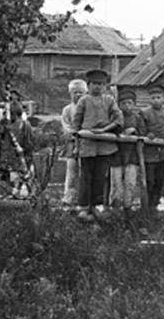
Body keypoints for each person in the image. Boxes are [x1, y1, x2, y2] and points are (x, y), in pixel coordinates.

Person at [71, 69, 122, 219]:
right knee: (86, 176)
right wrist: (77, 139)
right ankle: (83, 206)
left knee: (101, 176)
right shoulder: (84, 100)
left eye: (101, 84)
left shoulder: (109, 100)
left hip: (105, 145)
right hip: (87, 144)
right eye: (94, 84)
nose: (98, 87)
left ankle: (97, 205)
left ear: (105, 86)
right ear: (88, 85)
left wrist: (105, 129)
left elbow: (119, 118)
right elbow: (76, 121)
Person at [138, 84, 164, 212]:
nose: (156, 100)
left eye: (158, 97)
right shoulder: (144, 112)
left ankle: (155, 203)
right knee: (149, 179)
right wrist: (147, 134)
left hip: (163, 151)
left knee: (160, 179)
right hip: (149, 151)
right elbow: (141, 129)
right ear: (149, 99)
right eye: (153, 98)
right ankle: (147, 205)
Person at [0, 90, 36, 198]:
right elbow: (29, 141)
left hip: (13, 155)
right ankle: (19, 193)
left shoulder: (12, 126)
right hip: (19, 154)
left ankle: (18, 193)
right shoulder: (24, 124)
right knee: (21, 174)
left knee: (17, 175)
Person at [109, 88, 143, 210]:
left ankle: (128, 206)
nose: (127, 106)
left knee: (130, 182)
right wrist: (120, 132)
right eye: (123, 103)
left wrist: (134, 131)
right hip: (116, 153)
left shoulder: (138, 118)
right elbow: (110, 129)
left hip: (132, 154)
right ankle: (115, 206)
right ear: (119, 105)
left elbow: (143, 132)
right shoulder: (115, 117)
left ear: (134, 104)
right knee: (116, 181)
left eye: (129, 103)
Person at [60, 78, 88, 206]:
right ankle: (68, 197)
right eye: (74, 92)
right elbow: (65, 125)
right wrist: (74, 133)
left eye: (80, 92)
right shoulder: (67, 110)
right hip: (72, 144)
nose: (77, 95)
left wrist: (84, 133)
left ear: (85, 93)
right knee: (71, 172)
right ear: (70, 94)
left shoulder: (88, 108)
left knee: (85, 172)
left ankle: (83, 198)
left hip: (86, 144)